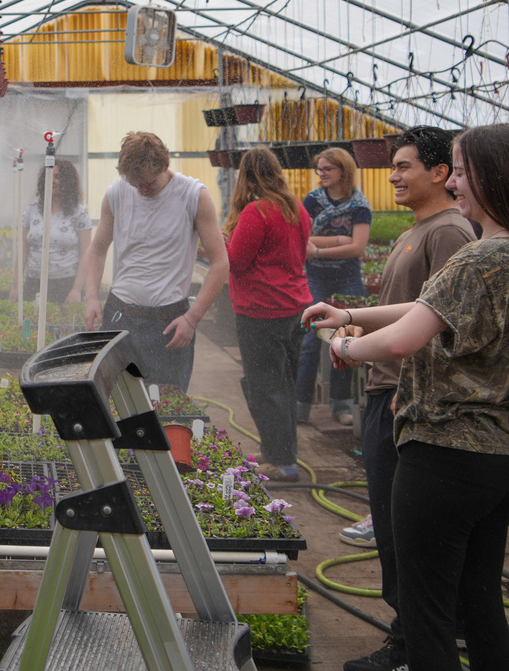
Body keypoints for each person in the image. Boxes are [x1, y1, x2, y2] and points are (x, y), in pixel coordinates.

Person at [308, 123, 509, 671]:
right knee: (480, 599)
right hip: (496, 453)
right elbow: (423, 310)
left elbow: (402, 339)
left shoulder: (476, 258)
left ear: (494, 177)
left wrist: (345, 344)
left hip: (444, 450)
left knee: (426, 611)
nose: (458, 185)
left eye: (464, 172)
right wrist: (348, 317)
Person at [338, 127, 475, 671]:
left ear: (439, 173)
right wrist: (347, 316)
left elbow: (447, 324)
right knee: (396, 534)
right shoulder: (420, 230)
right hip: (389, 389)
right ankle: (410, 641)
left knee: (407, 537)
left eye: (404, 166)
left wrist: (404, 387)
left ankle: (415, 650)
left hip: (405, 398)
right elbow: (408, 308)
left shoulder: (449, 235)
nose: (392, 175)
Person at [84, 131, 228, 392]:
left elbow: (220, 263)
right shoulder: (117, 193)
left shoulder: (193, 196)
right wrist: (92, 296)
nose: (140, 190)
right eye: (134, 183)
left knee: (164, 410)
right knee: (115, 404)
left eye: (148, 184)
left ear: (166, 165)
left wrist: (192, 318)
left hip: (168, 324)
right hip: (119, 316)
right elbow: (97, 248)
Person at [223, 148, 312, 482]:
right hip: (294, 308)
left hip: (261, 311)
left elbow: (236, 262)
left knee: (264, 387)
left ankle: (281, 461)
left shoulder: (256, 211)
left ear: (245, 175)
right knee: (284, 385)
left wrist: (221, 244)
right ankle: (280, 451)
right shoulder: (296, 209)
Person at [296, 146, 372, 425]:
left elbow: (358, 247)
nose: (322, 174)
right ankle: (300, 404)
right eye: (320, 169)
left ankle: (341, 404)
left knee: (347, 338)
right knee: (309, 339)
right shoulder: (313, 201)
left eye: (328, 169)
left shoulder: (360, 205)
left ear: (344, 171)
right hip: (315, 276)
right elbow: (302, 239)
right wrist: (341, 241)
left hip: (347, 277)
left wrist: (319, 249)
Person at [14, 158, 92, 305]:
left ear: (68, 181)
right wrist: (16, 286)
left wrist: (76, 289)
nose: (53, 181)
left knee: (64, 325)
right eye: (49, 176)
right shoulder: (32, 211)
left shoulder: (79, 213)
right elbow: (23, 249)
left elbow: (86, 254)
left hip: (66, 284)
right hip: (34, 282)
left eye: (58, 177)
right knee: (32, 324)